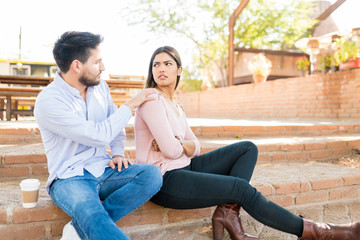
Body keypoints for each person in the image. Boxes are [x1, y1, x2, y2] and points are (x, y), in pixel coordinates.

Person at [134, 46, 360, 240]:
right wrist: (180, 145)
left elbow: (195, 146)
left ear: (179, 70)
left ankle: (227, 213)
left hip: (185, 167)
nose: (161, 69)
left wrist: (181, 143)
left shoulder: (175, 105)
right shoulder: (152, 100)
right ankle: (319, 231)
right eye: (156, 65)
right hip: (165, 181)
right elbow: (172, 152)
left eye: (167, 63)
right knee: (240, 188)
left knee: (247, 148)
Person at [34, 31, 162, 240]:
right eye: (97, 62)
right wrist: (130, 105)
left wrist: (118, 153)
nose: (103, 67)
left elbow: (113, 125)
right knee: (91, 212)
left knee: (151, 175)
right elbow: (97, 135)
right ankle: (88, 223)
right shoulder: (49, 101)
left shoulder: (100, 87)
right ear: (77, 66)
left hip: (104, 168)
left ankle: (77, 229)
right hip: (69, 178)